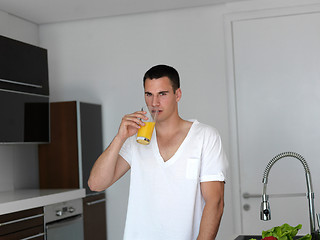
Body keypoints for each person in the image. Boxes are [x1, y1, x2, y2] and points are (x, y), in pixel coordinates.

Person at [88, 64, 228, 240]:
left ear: (178, 95)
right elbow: (96, 184)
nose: (154, 103)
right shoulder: (135, 141)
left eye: (162, 94)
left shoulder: (205, 136)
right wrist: (120, 137)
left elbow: (215, 202)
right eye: (149, 94)